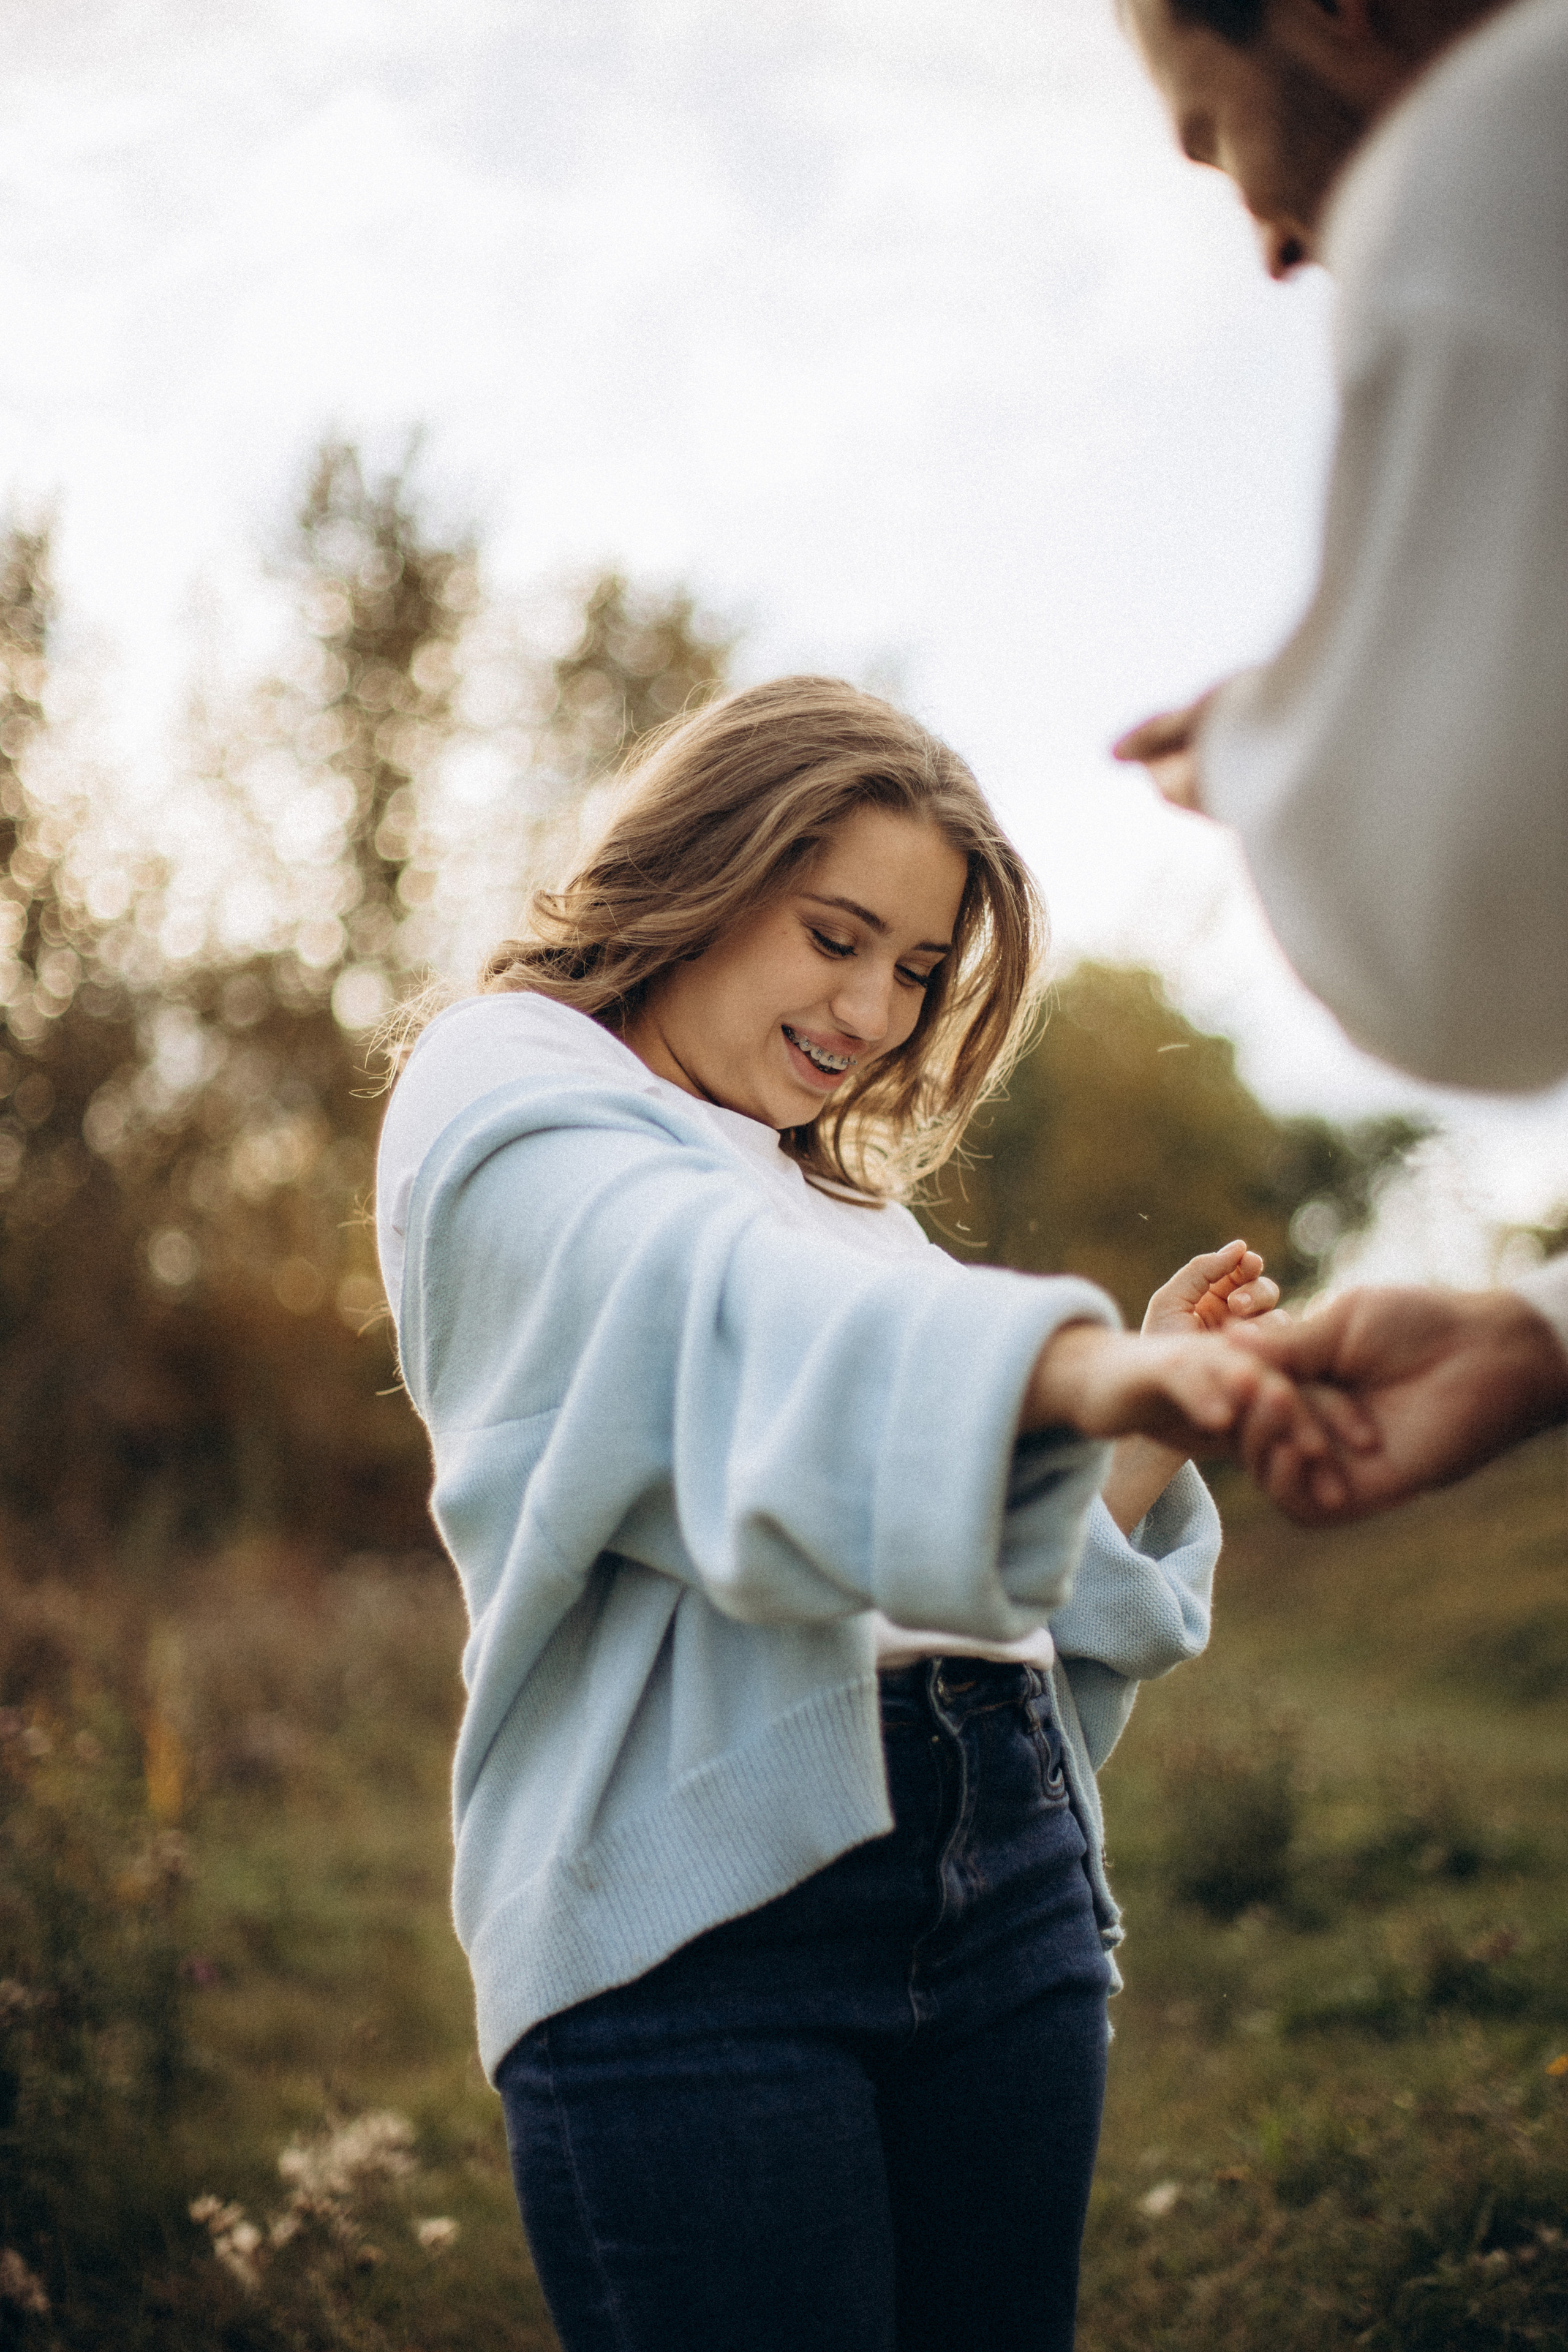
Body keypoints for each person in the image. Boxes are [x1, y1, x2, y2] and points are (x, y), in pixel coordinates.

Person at [375, 677, 1319, 2352]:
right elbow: (710, 1320)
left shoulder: (843, 1206)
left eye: (918, 971)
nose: (874, 1010)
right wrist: (1079, 1368)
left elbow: (965, 1548)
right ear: (701, 869)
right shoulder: (514, 1082)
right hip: (698, 1932)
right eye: (836, 936)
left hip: (1004, 1865)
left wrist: (1148, 1412)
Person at [1112, 0, 1568, 1520]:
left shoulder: (1499, 139)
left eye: (1210, 136)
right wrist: (1537, 1338)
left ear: (1327, 12)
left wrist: (1251, 754)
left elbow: (1465, 961)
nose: (1264, 243)